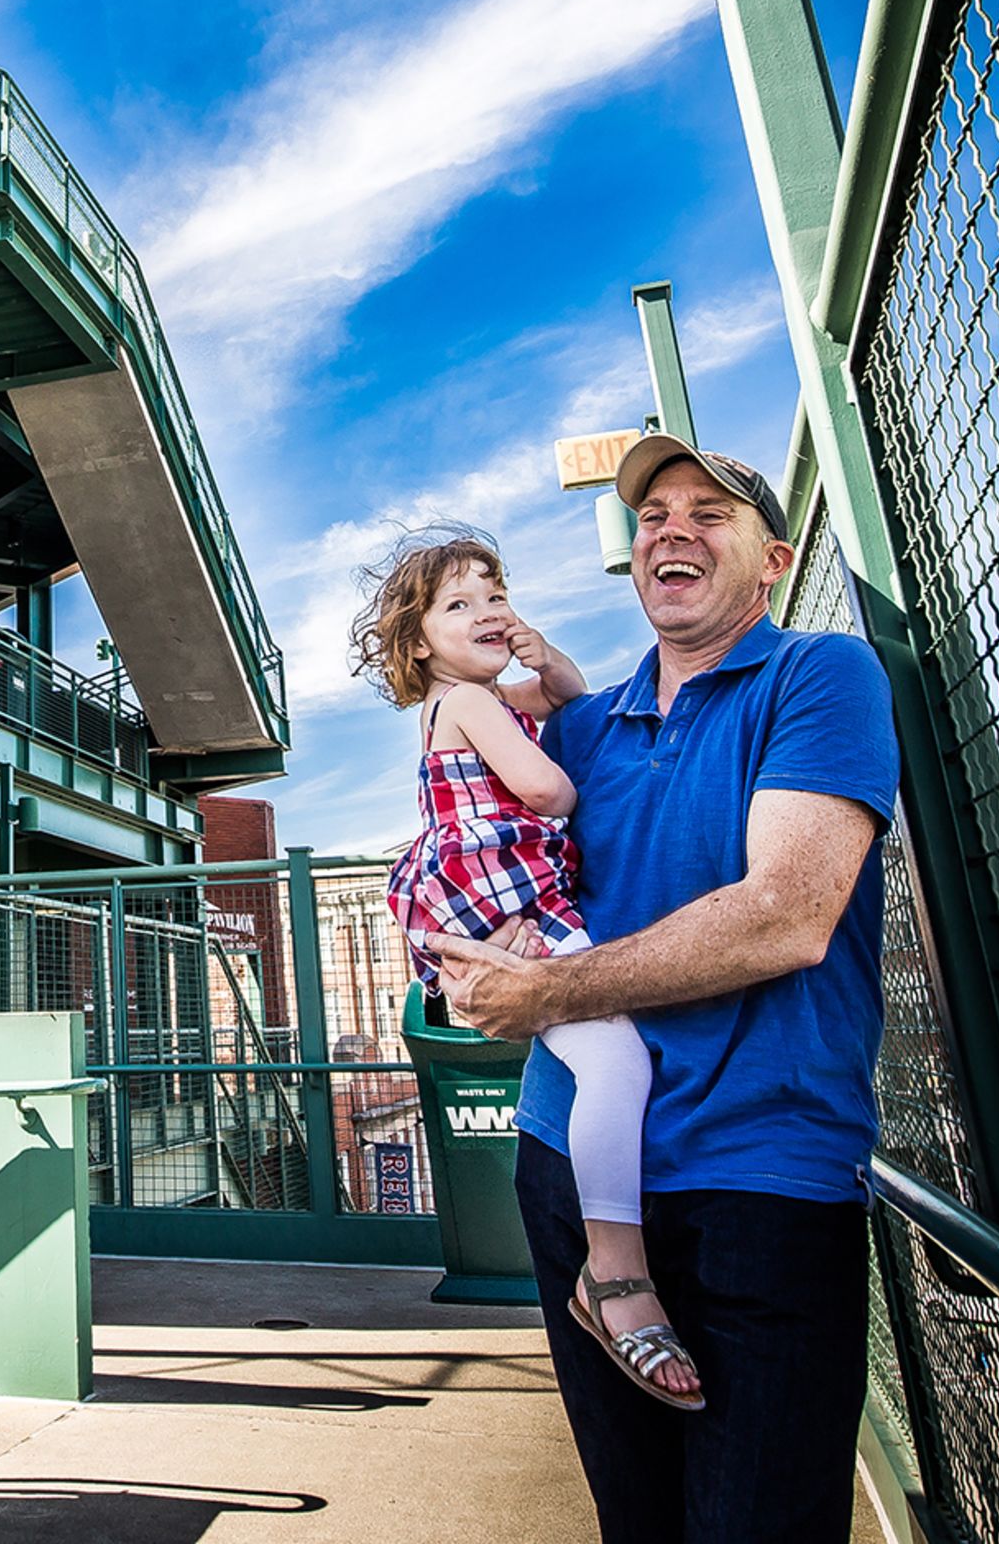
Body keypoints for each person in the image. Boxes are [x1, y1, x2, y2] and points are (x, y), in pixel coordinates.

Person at [430, 437, 899, 1544]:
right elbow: (474, 860)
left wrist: (544, 993)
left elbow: (787, 914)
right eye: (653, 515)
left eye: (709, 513)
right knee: (634, 1517)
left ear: (775, 560)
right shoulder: (579, 728)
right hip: (569, 1174)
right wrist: (473, 967)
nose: (671, 529)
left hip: (765, 1178)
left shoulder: (820, 676)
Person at [358, 530, 702, 1409]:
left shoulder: (486, 694)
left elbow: (570, 699)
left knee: (610, 1061)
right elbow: (549, 790)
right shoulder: (465, 703)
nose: (484, 612)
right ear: (419, 639)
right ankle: (615, 1265)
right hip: (499, 894)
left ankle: (618, 1254)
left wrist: (544, 660)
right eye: (457, 603)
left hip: (504, 898)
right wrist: (559, 776)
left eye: (494, 592)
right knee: (618, 1062)